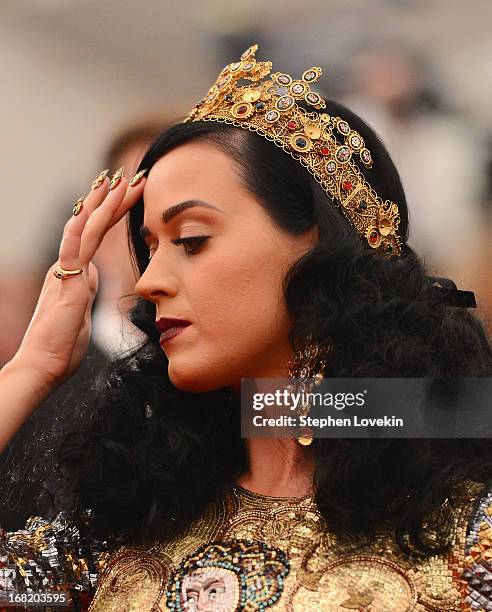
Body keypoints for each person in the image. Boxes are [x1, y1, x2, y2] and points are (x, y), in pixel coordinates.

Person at [1, 43, 491, 611]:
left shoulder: (466, 534)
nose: (149, 282)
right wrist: (31, 366)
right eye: (148, 249)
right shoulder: (120, 531)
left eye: (191, 240)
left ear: (319, 247)